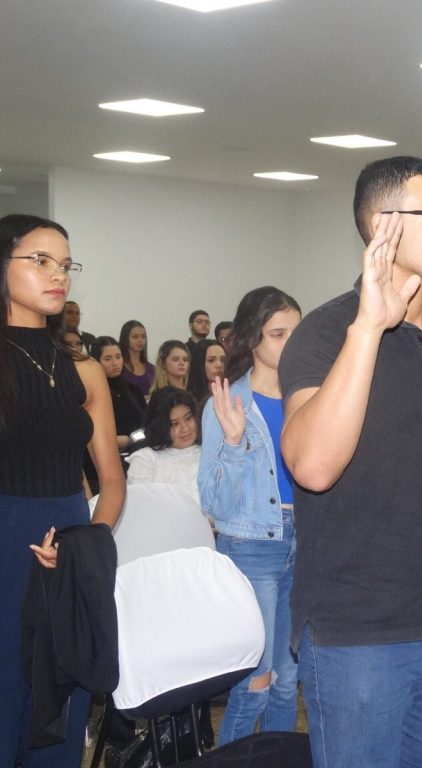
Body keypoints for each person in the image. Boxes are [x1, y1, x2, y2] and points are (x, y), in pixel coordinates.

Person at [278, 155, 422, 768]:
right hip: (358, 637)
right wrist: (368, 329)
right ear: (384, 225)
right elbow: (312, 467)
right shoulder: (326, 333)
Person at [0, 213, 124, 768]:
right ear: (0, 266)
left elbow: (112, 481)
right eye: (41, 261)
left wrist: (87, 543)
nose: (58, 274)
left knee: (61, 734)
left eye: (65, 264)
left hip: (69, 567)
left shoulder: (84, 369)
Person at [199, 286, 302, 743]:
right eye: (278, 334)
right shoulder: (226, 403)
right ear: (251, 339)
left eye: (296, 333)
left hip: (303, 542)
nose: (291, 343)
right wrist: (235, 443)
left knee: (286, 684)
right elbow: (214, 505)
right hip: (251, 547)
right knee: (255, 686)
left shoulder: (309, 395)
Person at [127, 386, 201, 502]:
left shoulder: (210, 452)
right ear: (161, 426)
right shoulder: (146, 459)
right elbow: (138, 504)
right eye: (175, 424)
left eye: (188, 418)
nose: (185, 428)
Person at [88, 336, 146, 453]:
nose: (115, 363)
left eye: (118, 357)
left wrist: (130, 439)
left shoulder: (133, 390)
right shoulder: (90, 394)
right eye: (108, 359)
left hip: (141, 451)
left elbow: (148, 426)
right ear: (96, 362)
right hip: (106, 455)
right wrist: (115, 441)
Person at [119, 319, 154, 397]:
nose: (140, 340)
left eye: (143, 337)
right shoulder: (118, 367)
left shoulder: (152, 369)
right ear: (125, 339)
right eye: (135, 337)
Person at [188, 338, 227, 402]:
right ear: (199, 363)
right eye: (211, 360)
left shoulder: (234, 393)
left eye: (223, 360)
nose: (219, 365)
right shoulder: (189, 400)